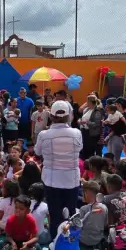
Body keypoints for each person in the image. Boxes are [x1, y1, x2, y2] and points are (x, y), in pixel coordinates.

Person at [34, 100, 82, 238]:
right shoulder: (76, 133)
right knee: (70, 214)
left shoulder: (44, 134)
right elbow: (80, 149)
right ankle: (69, 242)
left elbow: (37, 152)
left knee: (55, 214)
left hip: (51, 181)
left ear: (51, 115)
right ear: (69, 115)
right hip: (71, 181)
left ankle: (54, 243)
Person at [79, 181, 108, 247]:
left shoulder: (83, 208)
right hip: (98, 240)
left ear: (86, 193)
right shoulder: (104, 207)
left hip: (84, 240)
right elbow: (105, 224)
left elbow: (79, 226)